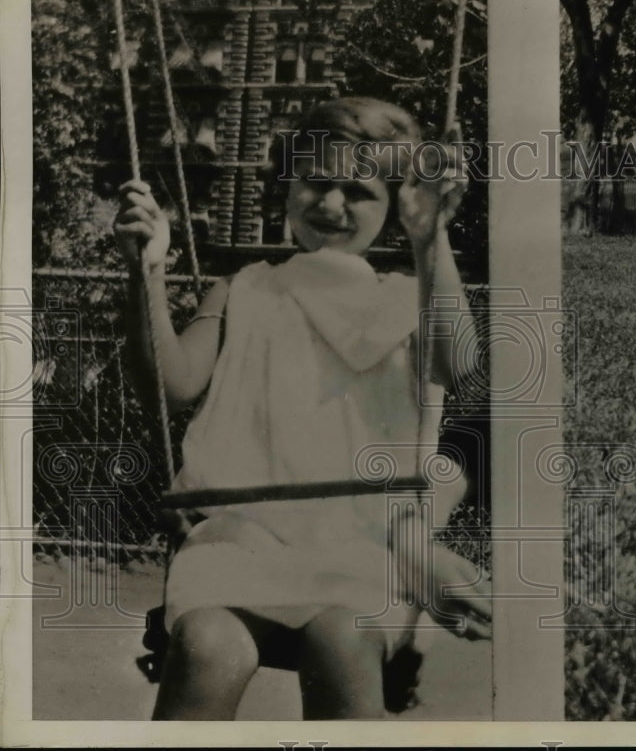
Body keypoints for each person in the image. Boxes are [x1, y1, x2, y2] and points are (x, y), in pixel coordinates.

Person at [114, 97, 490, 719]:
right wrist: (147, 273)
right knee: (206, 643)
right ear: (287, 185)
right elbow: (171, 385)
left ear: (395, 206)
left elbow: (462, 369)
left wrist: (432, 238)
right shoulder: (246, 288)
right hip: (239, 541)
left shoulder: (407, 297)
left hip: (367, 545)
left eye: (359, 191)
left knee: (342, 640)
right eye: (316, 182)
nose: (332, 204)